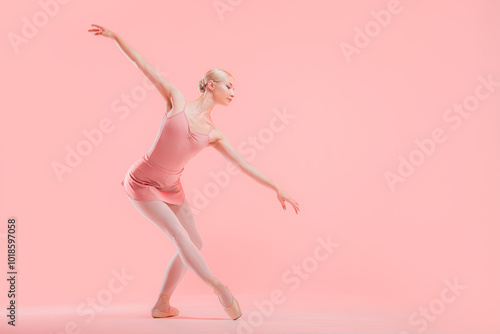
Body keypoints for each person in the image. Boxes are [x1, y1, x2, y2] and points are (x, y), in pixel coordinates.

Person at [88, 23, 300, 320]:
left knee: (194, 242)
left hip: (172, 188)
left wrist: (276, 186)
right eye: (229, 86)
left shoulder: (214, 133)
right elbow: (144, 65)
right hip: (142, 182)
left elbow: (243, 164)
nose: (233, 93)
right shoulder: (176, 100)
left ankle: (162, 304)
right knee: (180, 236)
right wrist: (116, 37)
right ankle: (217, 286)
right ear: (211, 85)